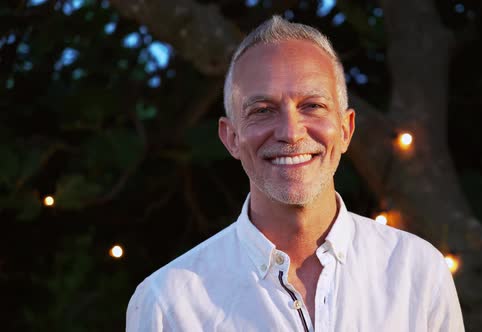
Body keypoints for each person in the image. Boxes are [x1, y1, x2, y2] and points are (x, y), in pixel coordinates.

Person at [126, 16, 464, 332]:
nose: (290, 132)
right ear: (230, 137)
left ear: (345, 129)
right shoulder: (168, 303)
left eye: (312, 106)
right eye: (262, 110)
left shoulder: (417, 271)